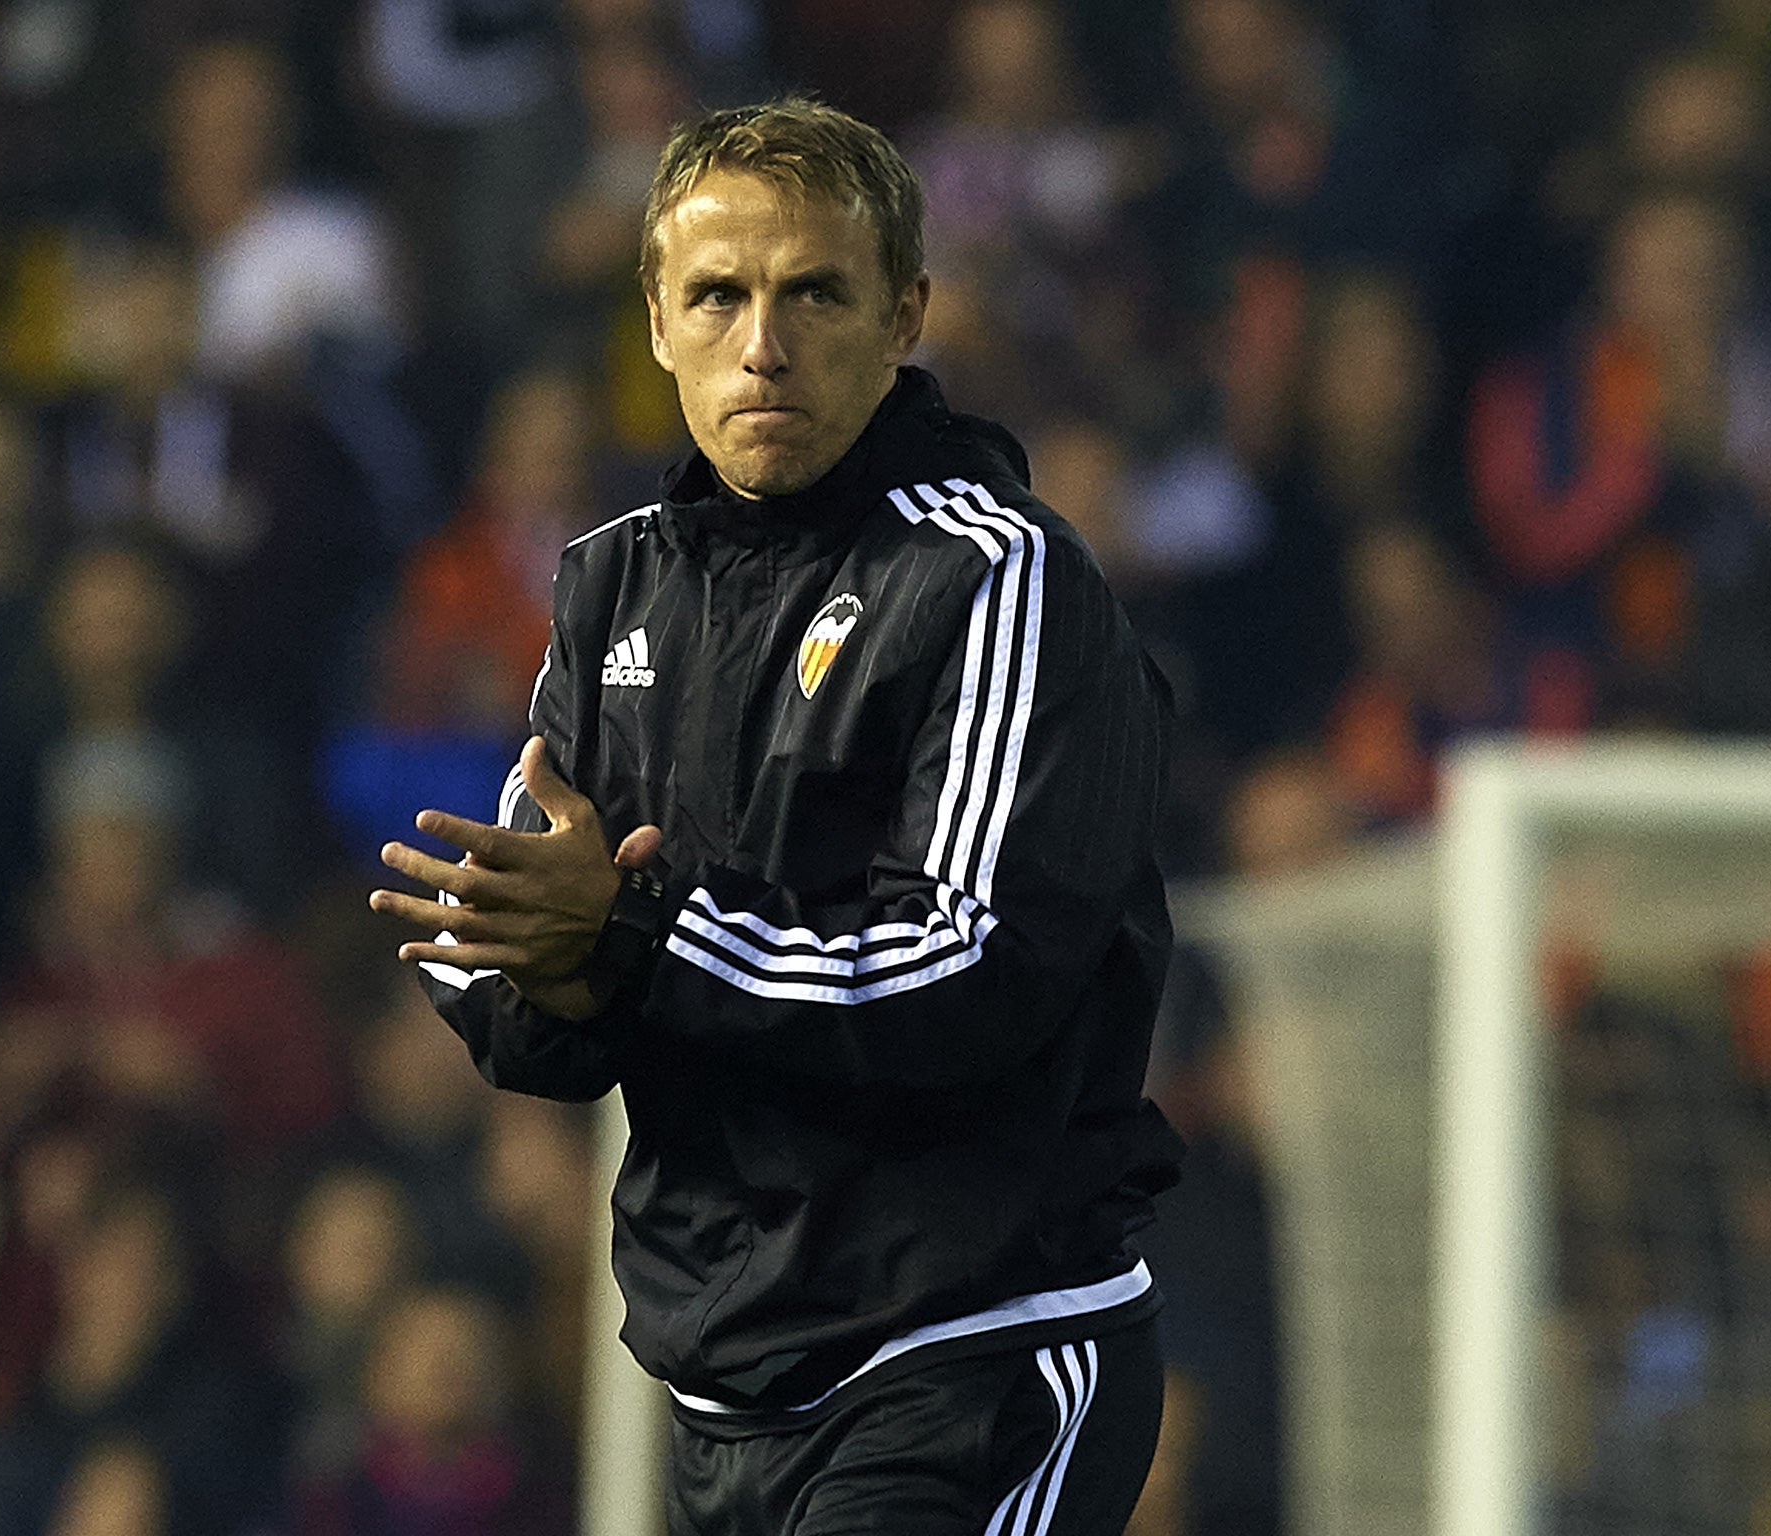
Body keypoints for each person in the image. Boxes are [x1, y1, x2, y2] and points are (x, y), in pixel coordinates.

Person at [370, 97, 1183, 1533]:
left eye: (815, 292)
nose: (765, 344)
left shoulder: (1000, 579)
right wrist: (557, 962)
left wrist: (622, 937)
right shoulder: (611, 586)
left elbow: (967, 962)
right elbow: (496, 938)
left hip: (970, 1358)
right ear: (659, 319)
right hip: (718, 1395)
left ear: (904, 314)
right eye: (720, 295)